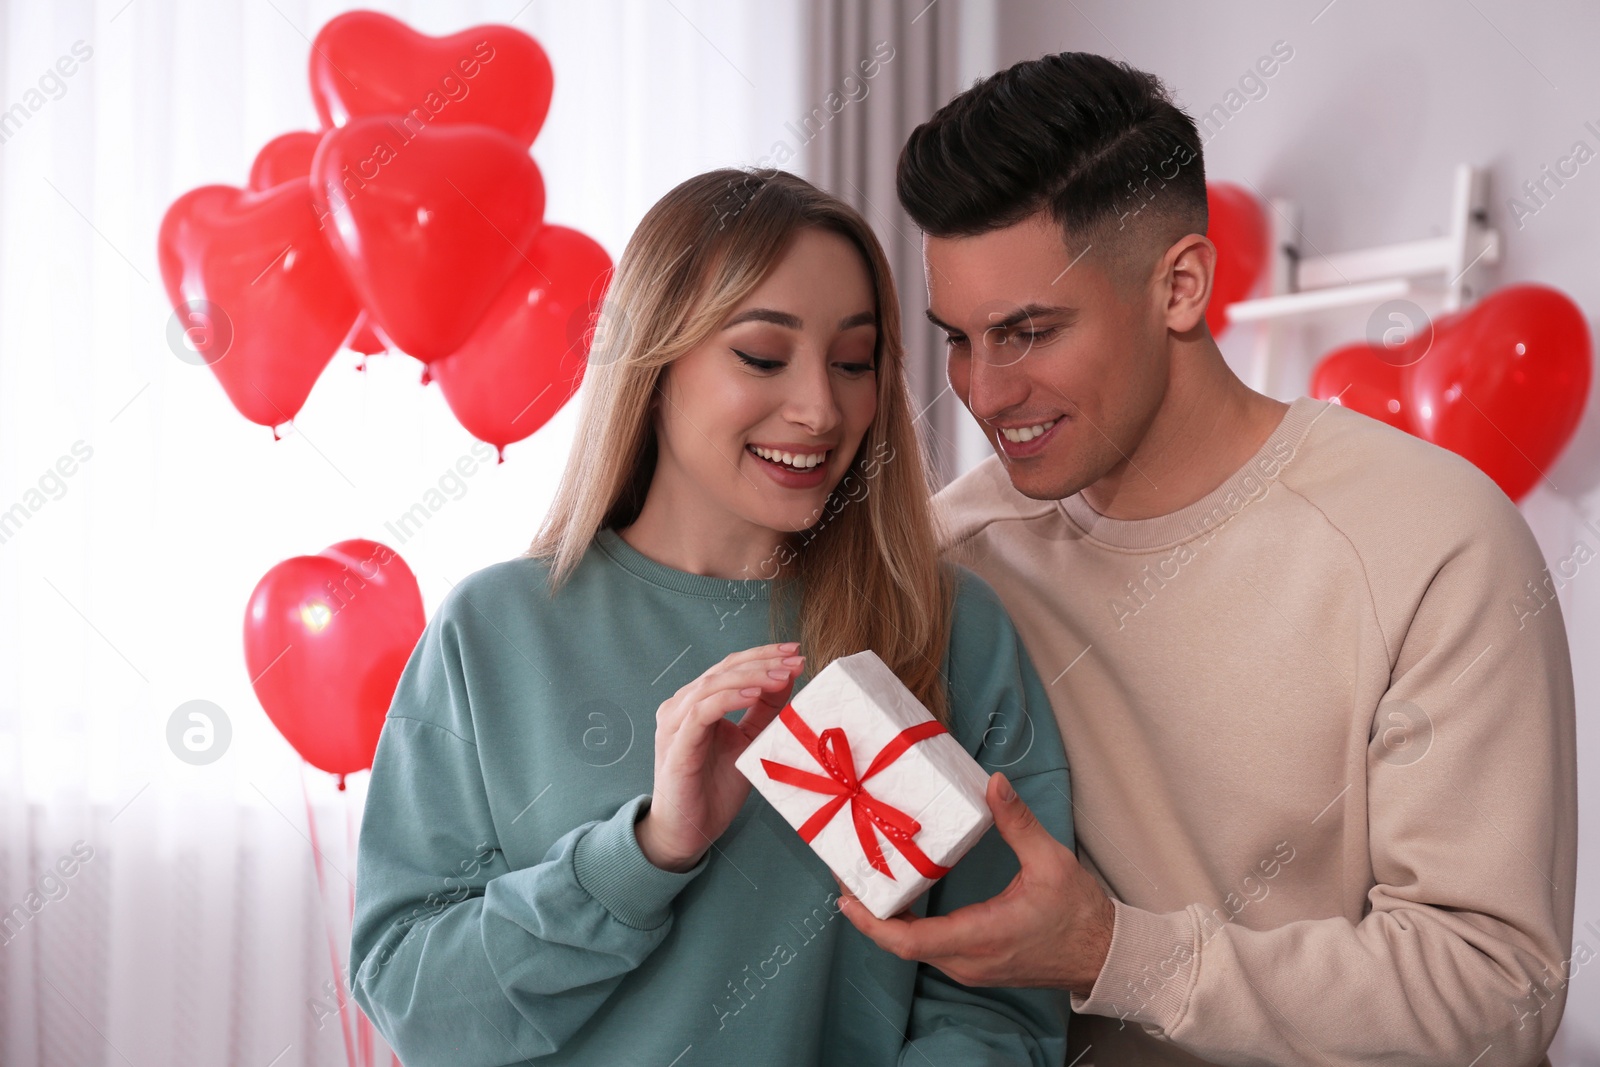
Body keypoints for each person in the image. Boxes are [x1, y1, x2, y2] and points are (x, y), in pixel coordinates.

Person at [836, 51, 1578, 1066]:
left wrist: (1113, 950)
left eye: (1028, 331)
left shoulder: (1433, 541)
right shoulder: (953, 559)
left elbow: (1493, 998)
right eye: (958, 339)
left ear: (1179, 284)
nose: (983, 390)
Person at [347, 167, 1075, 1066]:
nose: (819, 408)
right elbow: (417, 1004)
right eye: (763, 356)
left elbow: (1006, 1004)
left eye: (854, 362)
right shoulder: (491, 632)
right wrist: (645, 854)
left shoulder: (953, 627)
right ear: (655, 364)